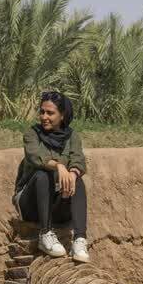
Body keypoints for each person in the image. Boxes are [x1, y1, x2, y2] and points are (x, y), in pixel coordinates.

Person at [14, 91, 90, 262]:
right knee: (43, 175)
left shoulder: (72, 136)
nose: (44, 117)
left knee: (77, 179)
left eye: (50, 113)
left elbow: (79, 160)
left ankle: (79, 240)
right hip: (31, 205)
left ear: (62, 115)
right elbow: (36, 157)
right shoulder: (32, 134)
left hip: (57, 203)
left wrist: (72, 172)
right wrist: (59, 166)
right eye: (42, 112)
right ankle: (45, 234)